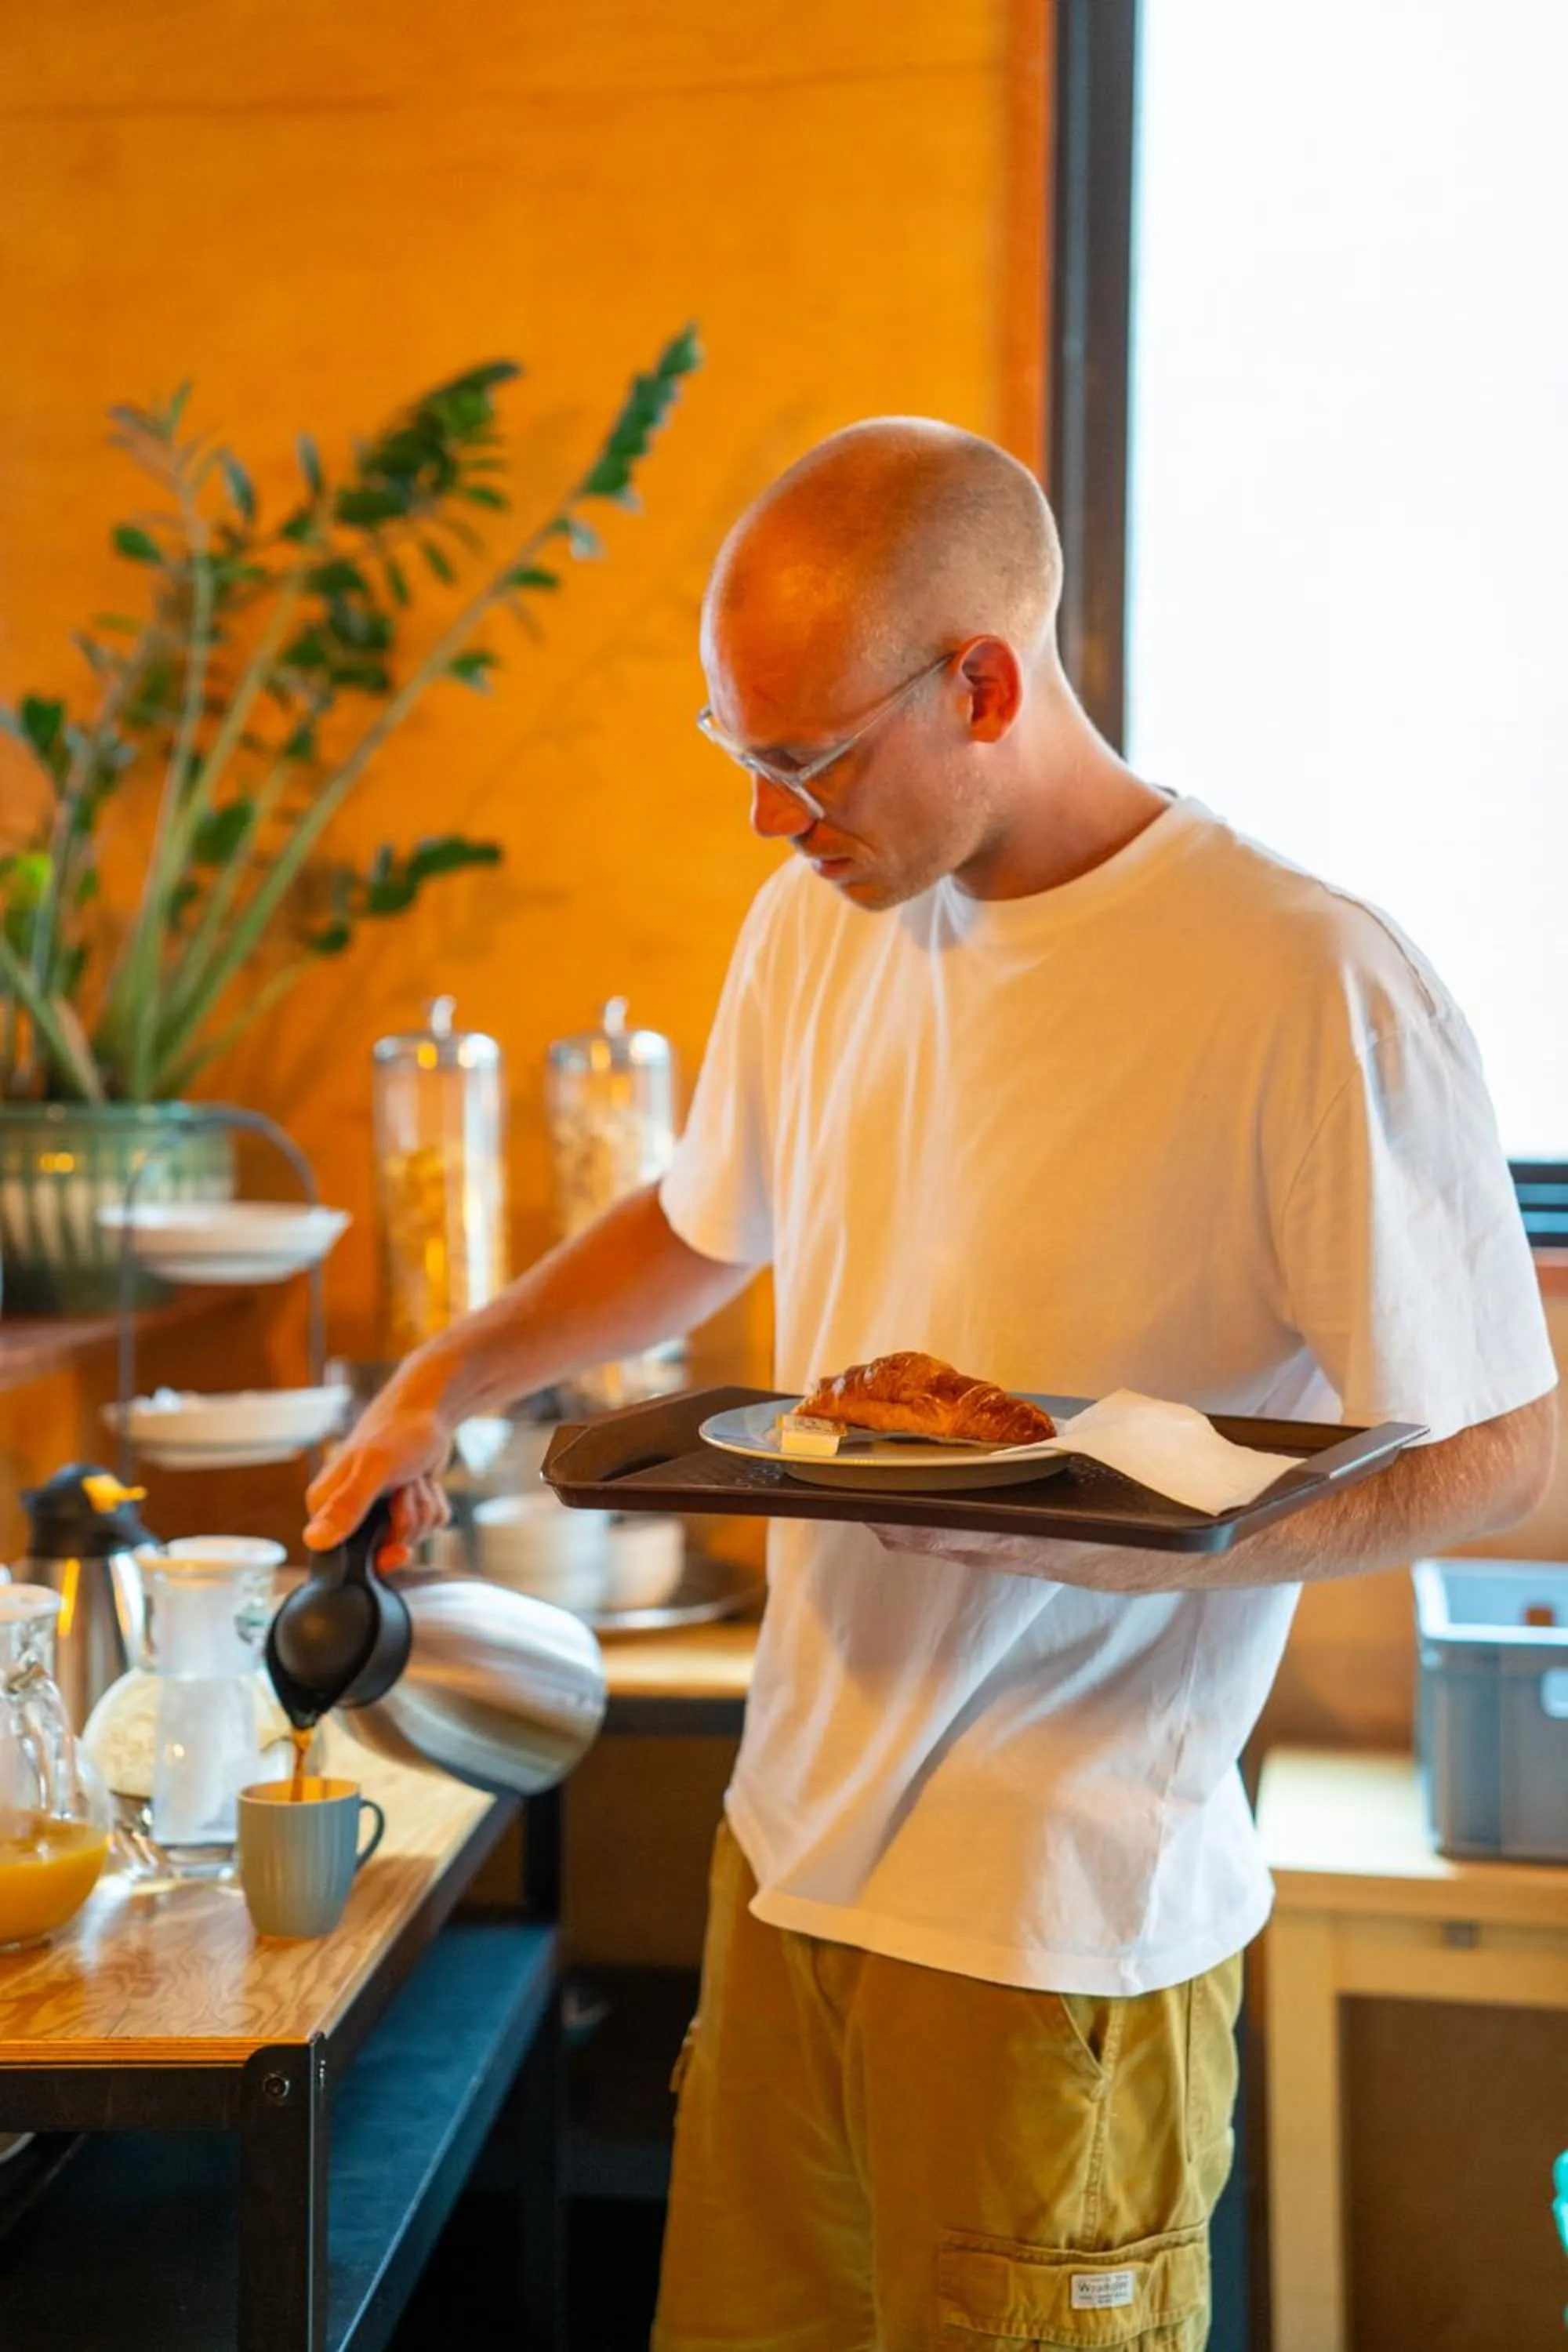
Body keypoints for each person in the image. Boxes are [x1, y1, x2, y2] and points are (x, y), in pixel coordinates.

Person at [305, 419, 1558, 2350]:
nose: (769, 819)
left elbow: (1503, 1450)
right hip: (786, 1871)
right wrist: (440, 1379)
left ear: (984, 681)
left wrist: (1187, 1562)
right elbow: (705, 1216)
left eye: (803, 760)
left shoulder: (1304, 978)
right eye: (738, 754)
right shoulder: (821, 922)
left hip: (1056, 1925)